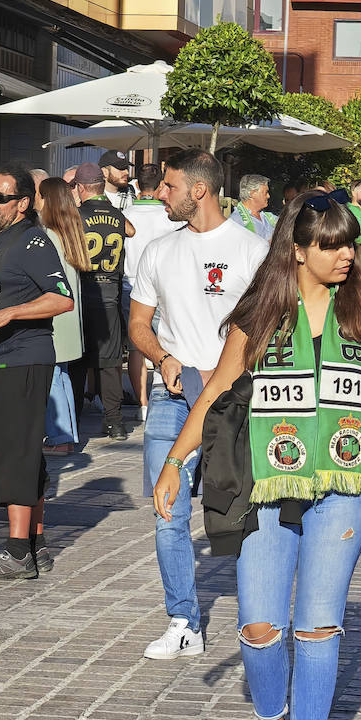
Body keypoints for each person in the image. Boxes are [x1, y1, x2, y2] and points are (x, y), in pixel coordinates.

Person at [152, 190, 361, 720]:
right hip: (269, 484)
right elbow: (215, 391)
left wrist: (360, 434)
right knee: (260, 625)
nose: (347, 254)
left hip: (343, 490)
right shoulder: (262, 314)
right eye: (333, 244)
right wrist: (173, 462)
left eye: (351, 243)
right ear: (297, 250)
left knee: (318, 625)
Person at [128, 149, 267, 658]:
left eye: (169, 187)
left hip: (235, 400)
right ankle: (183, 621)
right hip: (173, 394)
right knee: (168, 512)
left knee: (246, 507)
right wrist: (162, 358)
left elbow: (270, 328)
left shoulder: (252, 251)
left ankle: (259, 617)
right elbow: (138, 325)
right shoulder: (158, 251)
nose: (160, 194)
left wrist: (232, 367)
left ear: (199, 191)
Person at [0, 167, 74, 580]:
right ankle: (35, 544)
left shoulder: (33, 240)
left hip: (24, 357)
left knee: (16, 453)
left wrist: (11, 312)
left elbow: (61, 299)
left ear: (23, 203)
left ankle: (17, 552)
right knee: (18, 451)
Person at [71, 162, 132, 439]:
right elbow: (131, 231)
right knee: (110, 364)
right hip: (110, 296)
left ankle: (73, 420)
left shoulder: (76, 215)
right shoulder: (117, 216)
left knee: (77, 361)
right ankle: (115, 422)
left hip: (83, 295)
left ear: (81, 188)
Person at [36, 177, 89, 453]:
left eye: (39, 195)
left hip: (55, 317)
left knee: (53, 377)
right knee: (62, 375)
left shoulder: (47, 235)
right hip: (70, 317)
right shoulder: (70, 230)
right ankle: (67, 435)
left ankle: (61, 439)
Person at [123, 164, 174, 421]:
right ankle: (163, 392)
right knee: (164, 341)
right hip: (161, 284)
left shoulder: (125, 212)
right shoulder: (168, 215)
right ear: (160, 185)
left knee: (136, 346)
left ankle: (142, 403)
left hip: (129, 282)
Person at [228, 174, 276, 241]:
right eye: (265, 192)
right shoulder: (236, 221)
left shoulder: (268, 217)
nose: (268, 196)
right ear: (252, 194)